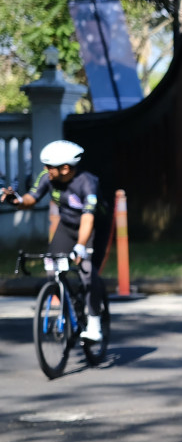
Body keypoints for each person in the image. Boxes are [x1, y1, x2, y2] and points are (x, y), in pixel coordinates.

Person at [0, 140, 107, 341]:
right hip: (66, 226)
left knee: (87, 272)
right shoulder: (48, 176)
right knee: (52, 268)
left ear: (65, 168)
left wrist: (80, 247)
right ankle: (69, 309)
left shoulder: (87, 182)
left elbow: (88, 218)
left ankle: (94, 323)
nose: (45, 169)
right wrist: (17, 200)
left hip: (93, 229)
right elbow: (31, 198)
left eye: (49, 166)